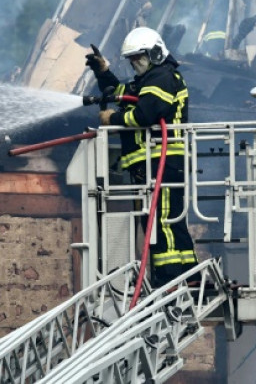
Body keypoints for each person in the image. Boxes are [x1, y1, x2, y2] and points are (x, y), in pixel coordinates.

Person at [85, 26, 198, 287]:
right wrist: (103, 72)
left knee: (162, 222)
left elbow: (145, 114)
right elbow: (122, 94)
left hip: (162, 162)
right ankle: (189, 275)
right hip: (151, 164)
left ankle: (169, 280)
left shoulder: (162, 77)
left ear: (155, 52)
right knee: (166, 221)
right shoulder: (148, 80)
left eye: (138, 57)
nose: (135, 63)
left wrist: (113, 118)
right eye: (131, 59)